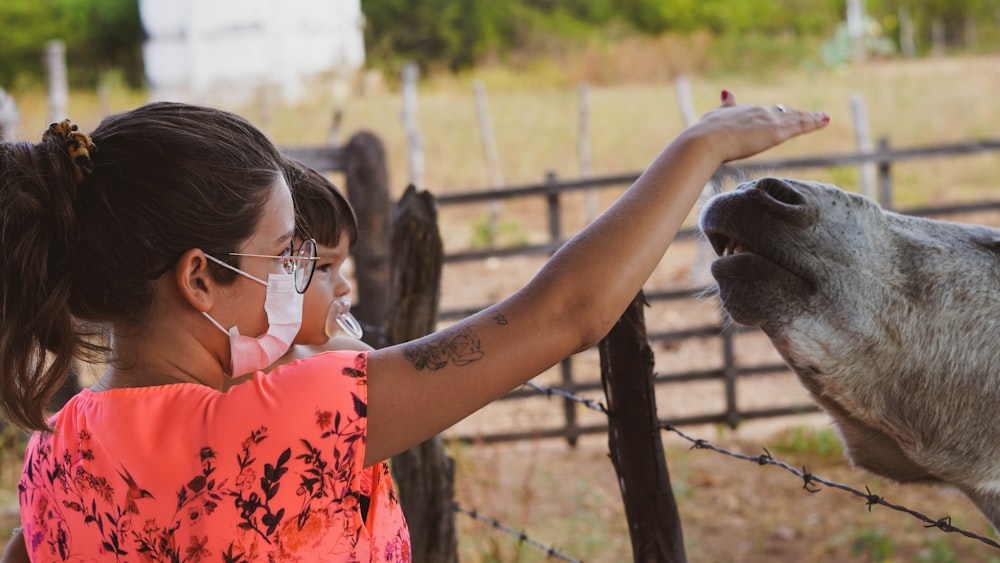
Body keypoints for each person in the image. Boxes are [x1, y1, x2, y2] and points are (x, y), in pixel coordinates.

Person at [0, 93, 828, 560]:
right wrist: (701, 147)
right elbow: (565, 311)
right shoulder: (297, 415)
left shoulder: (53, 460)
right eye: (288, 255)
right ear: (199, 278)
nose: (306, 277)